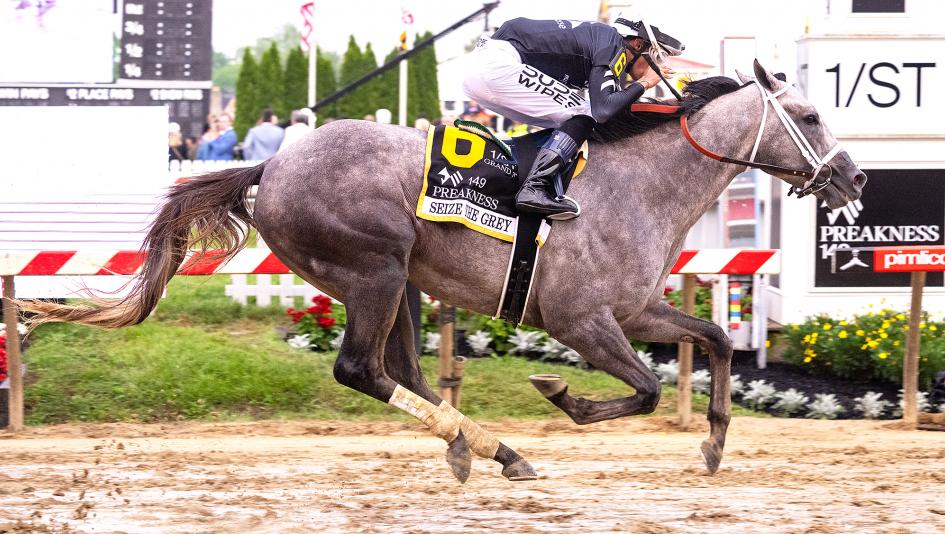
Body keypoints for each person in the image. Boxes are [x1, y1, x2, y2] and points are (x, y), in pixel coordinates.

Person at [463, 16, 683, 219]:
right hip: (498, 65)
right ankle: (535, 187)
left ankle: (522, 172)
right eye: (658, 55)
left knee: (576, 119)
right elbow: (603, 111)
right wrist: (644, 83)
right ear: (637, 43)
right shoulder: (613, 46)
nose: (661, 65)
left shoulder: (605, 42)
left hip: (486, 70)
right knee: (586, 113)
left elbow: (616, 112)